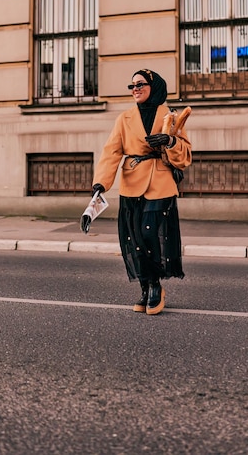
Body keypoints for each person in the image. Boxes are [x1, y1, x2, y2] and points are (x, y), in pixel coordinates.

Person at [91, 68, 192, 315]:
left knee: (149, 233)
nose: (135, 89)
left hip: (160, 182)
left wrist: (169, 142)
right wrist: (100, 184)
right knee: (135, 239)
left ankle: (156, 285)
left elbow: (186, 155)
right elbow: (112, 152)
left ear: (154, 86)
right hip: (131, 182)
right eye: (132, 85)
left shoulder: (170, 116)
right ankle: (145, 287)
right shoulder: (124, 118)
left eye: (140, 84)